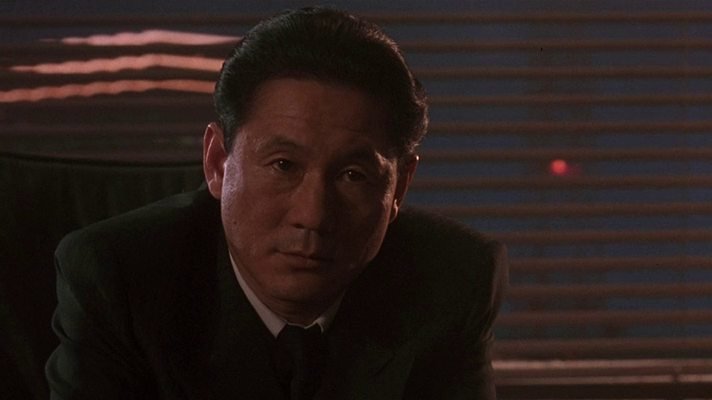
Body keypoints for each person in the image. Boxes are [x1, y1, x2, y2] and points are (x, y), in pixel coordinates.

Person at [45, 7, 508, 399]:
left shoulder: (453, 279)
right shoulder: (119, 280)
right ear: (218, 162)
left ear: (399, 188)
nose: (313, 216)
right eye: (284, 165)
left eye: (353, 175)